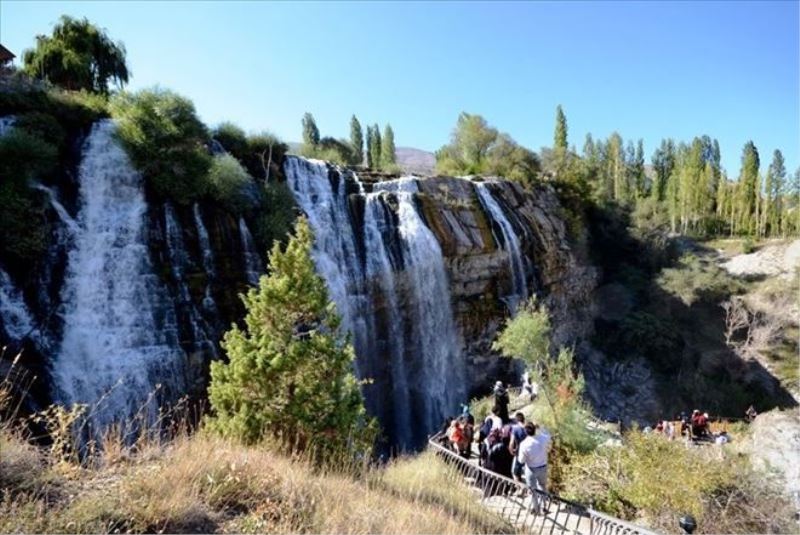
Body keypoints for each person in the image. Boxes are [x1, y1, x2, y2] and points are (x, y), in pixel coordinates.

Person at [518, 422, 551, 515]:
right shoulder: (543, 438)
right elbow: (548, 433)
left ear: (526, 431)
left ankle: (535, 508)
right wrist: (540, 426)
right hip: (543, 466)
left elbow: (521, 460)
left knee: (533, 490)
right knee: (542, 486)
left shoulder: (524, 444)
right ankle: (544, 506)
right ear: (535, 429)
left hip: (531, 469)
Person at [508, 412, 527, 484]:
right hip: (528, 452)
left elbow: (511, 442)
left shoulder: (515, 429)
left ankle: (519, 488)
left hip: (518, 453)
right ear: (523, 419)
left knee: (514, 472)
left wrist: (511, 451)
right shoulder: (527, 428)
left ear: (516, 420)